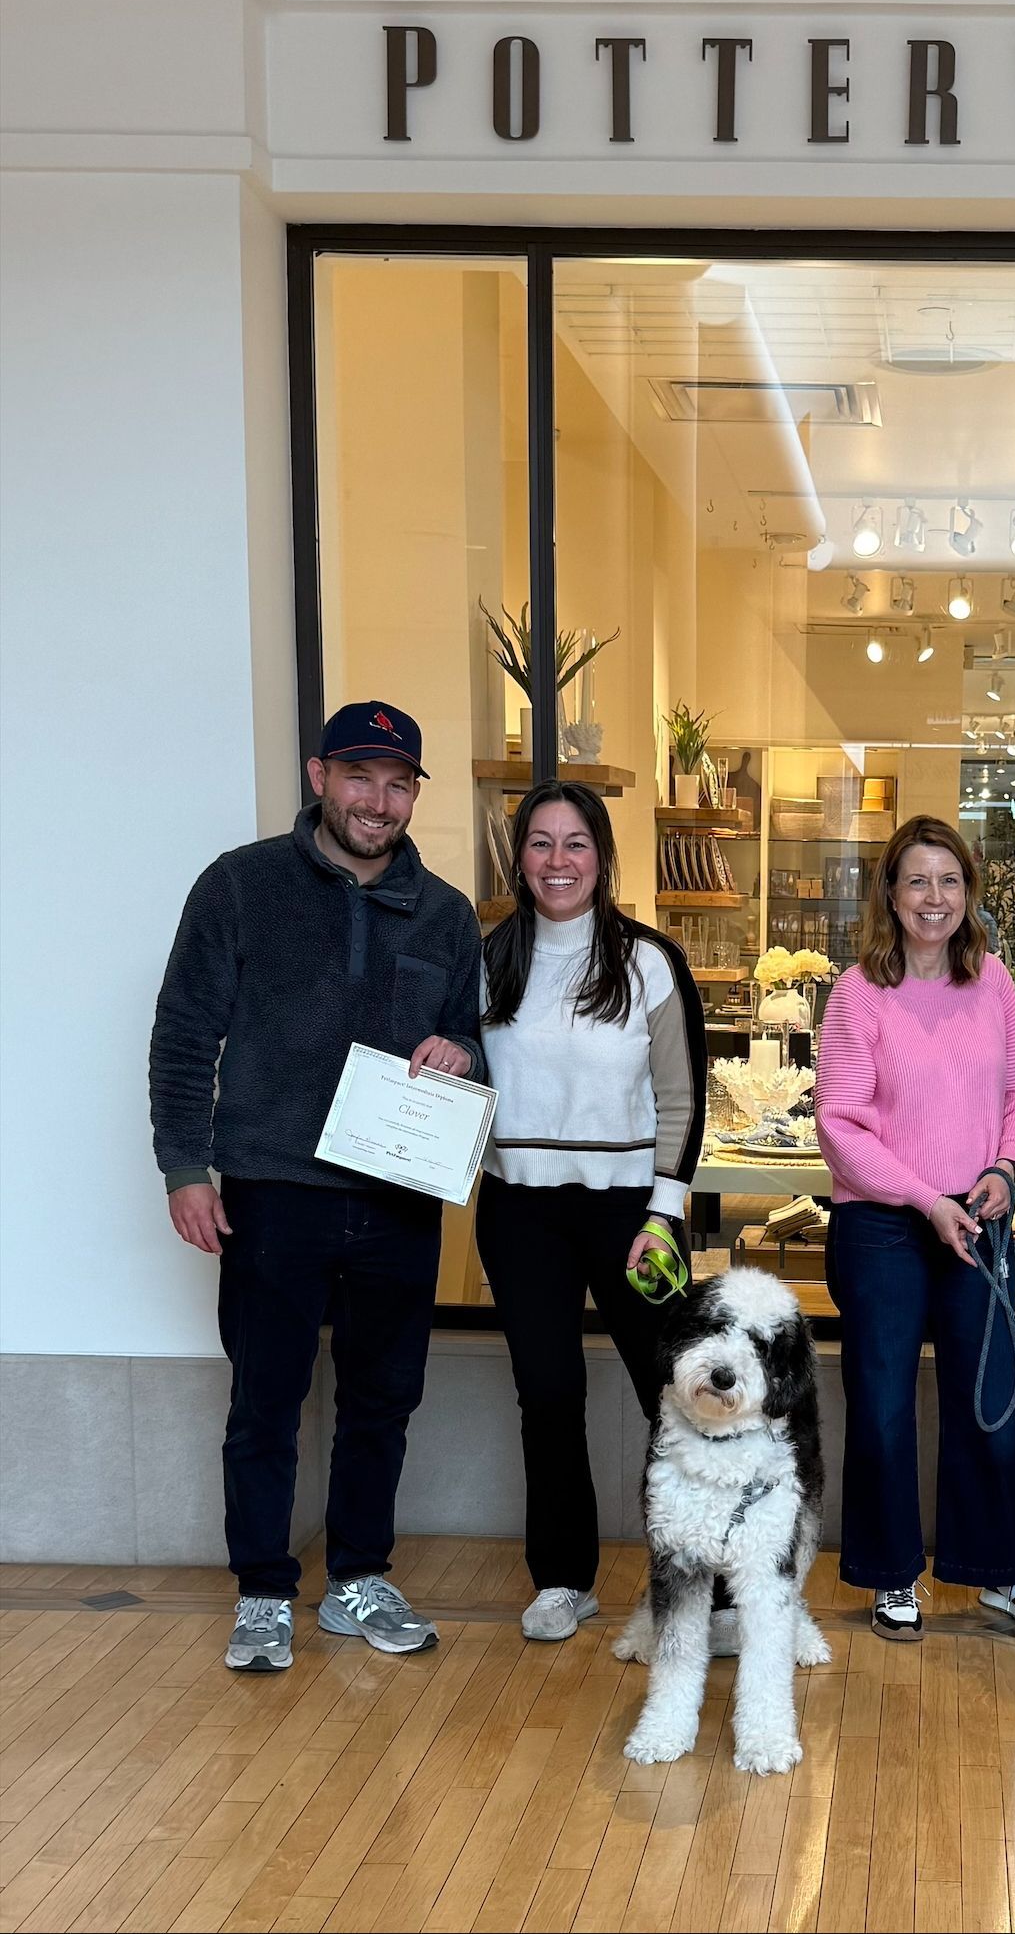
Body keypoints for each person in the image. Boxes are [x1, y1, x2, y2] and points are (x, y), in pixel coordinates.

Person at [150, 701, 485, 1674]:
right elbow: (183, 1033)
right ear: (318, 776)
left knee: (384, 1397)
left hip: (396, 1192)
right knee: (267, 1397)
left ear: (414, 792)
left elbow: (471, 1029)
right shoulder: (239, 887)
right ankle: (262, 1592)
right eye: (358, 776)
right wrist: (185, 1167)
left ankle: (356, 1579)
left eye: (396, 781)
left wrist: (459, 1048)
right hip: (272, 1189)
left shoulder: (448, 912)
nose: (377, 800)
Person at [815, 815, 1015, 1641]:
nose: (934, 897)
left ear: (969, 893)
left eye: (949, 881)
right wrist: (928, 1200)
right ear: (891, 891)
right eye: (917, 880)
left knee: (992, 1401)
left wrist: (1004, 1168)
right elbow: (841, 1127)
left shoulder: (990, 982)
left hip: (980, 1211)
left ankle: (998, 1570)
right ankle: (891, 1576)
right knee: (883, 1405)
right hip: (883, 1225)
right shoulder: (858, 993)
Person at [475, 779, 707, 1642]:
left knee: (674, 1397)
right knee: (547, 1391)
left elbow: (683, 1099)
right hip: (519, 1212)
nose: (558, 860)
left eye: (577, 843)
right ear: (519, 854)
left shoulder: (649, 960)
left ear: (603, 856)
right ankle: (563, 1578)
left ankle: (695, 1584)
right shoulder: (488, 957)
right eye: (541, 842)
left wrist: (664, 1211)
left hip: (630, 1215)